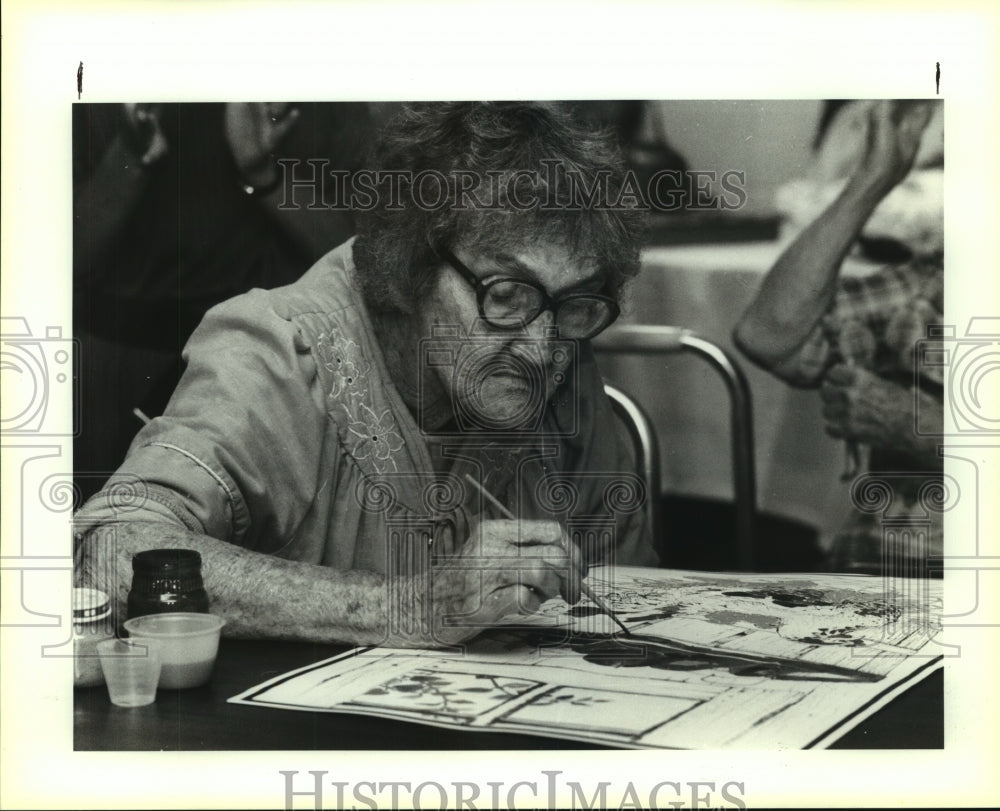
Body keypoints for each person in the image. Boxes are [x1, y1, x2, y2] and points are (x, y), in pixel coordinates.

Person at [74, 102, 659, 649]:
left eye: (578, 305)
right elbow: (109, 551)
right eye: (505, 294)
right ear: (413, 268)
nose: (539, 348)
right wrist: (408, 606)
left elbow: (633, 587)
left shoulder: (559, 341)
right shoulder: (279, 352)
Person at [72, 101, 374, 500]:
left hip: (276, 366)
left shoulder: (330, 97)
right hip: (119, 364)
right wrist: (129, 155)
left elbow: (362, 264)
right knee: (103, 537)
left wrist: (262, 175)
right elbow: (57, 264)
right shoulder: (94, 86)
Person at [733, 99, 943, 574]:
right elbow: (768, 336)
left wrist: (923, 430)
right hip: (877, 576)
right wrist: (870, 183)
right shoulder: (938, 280)